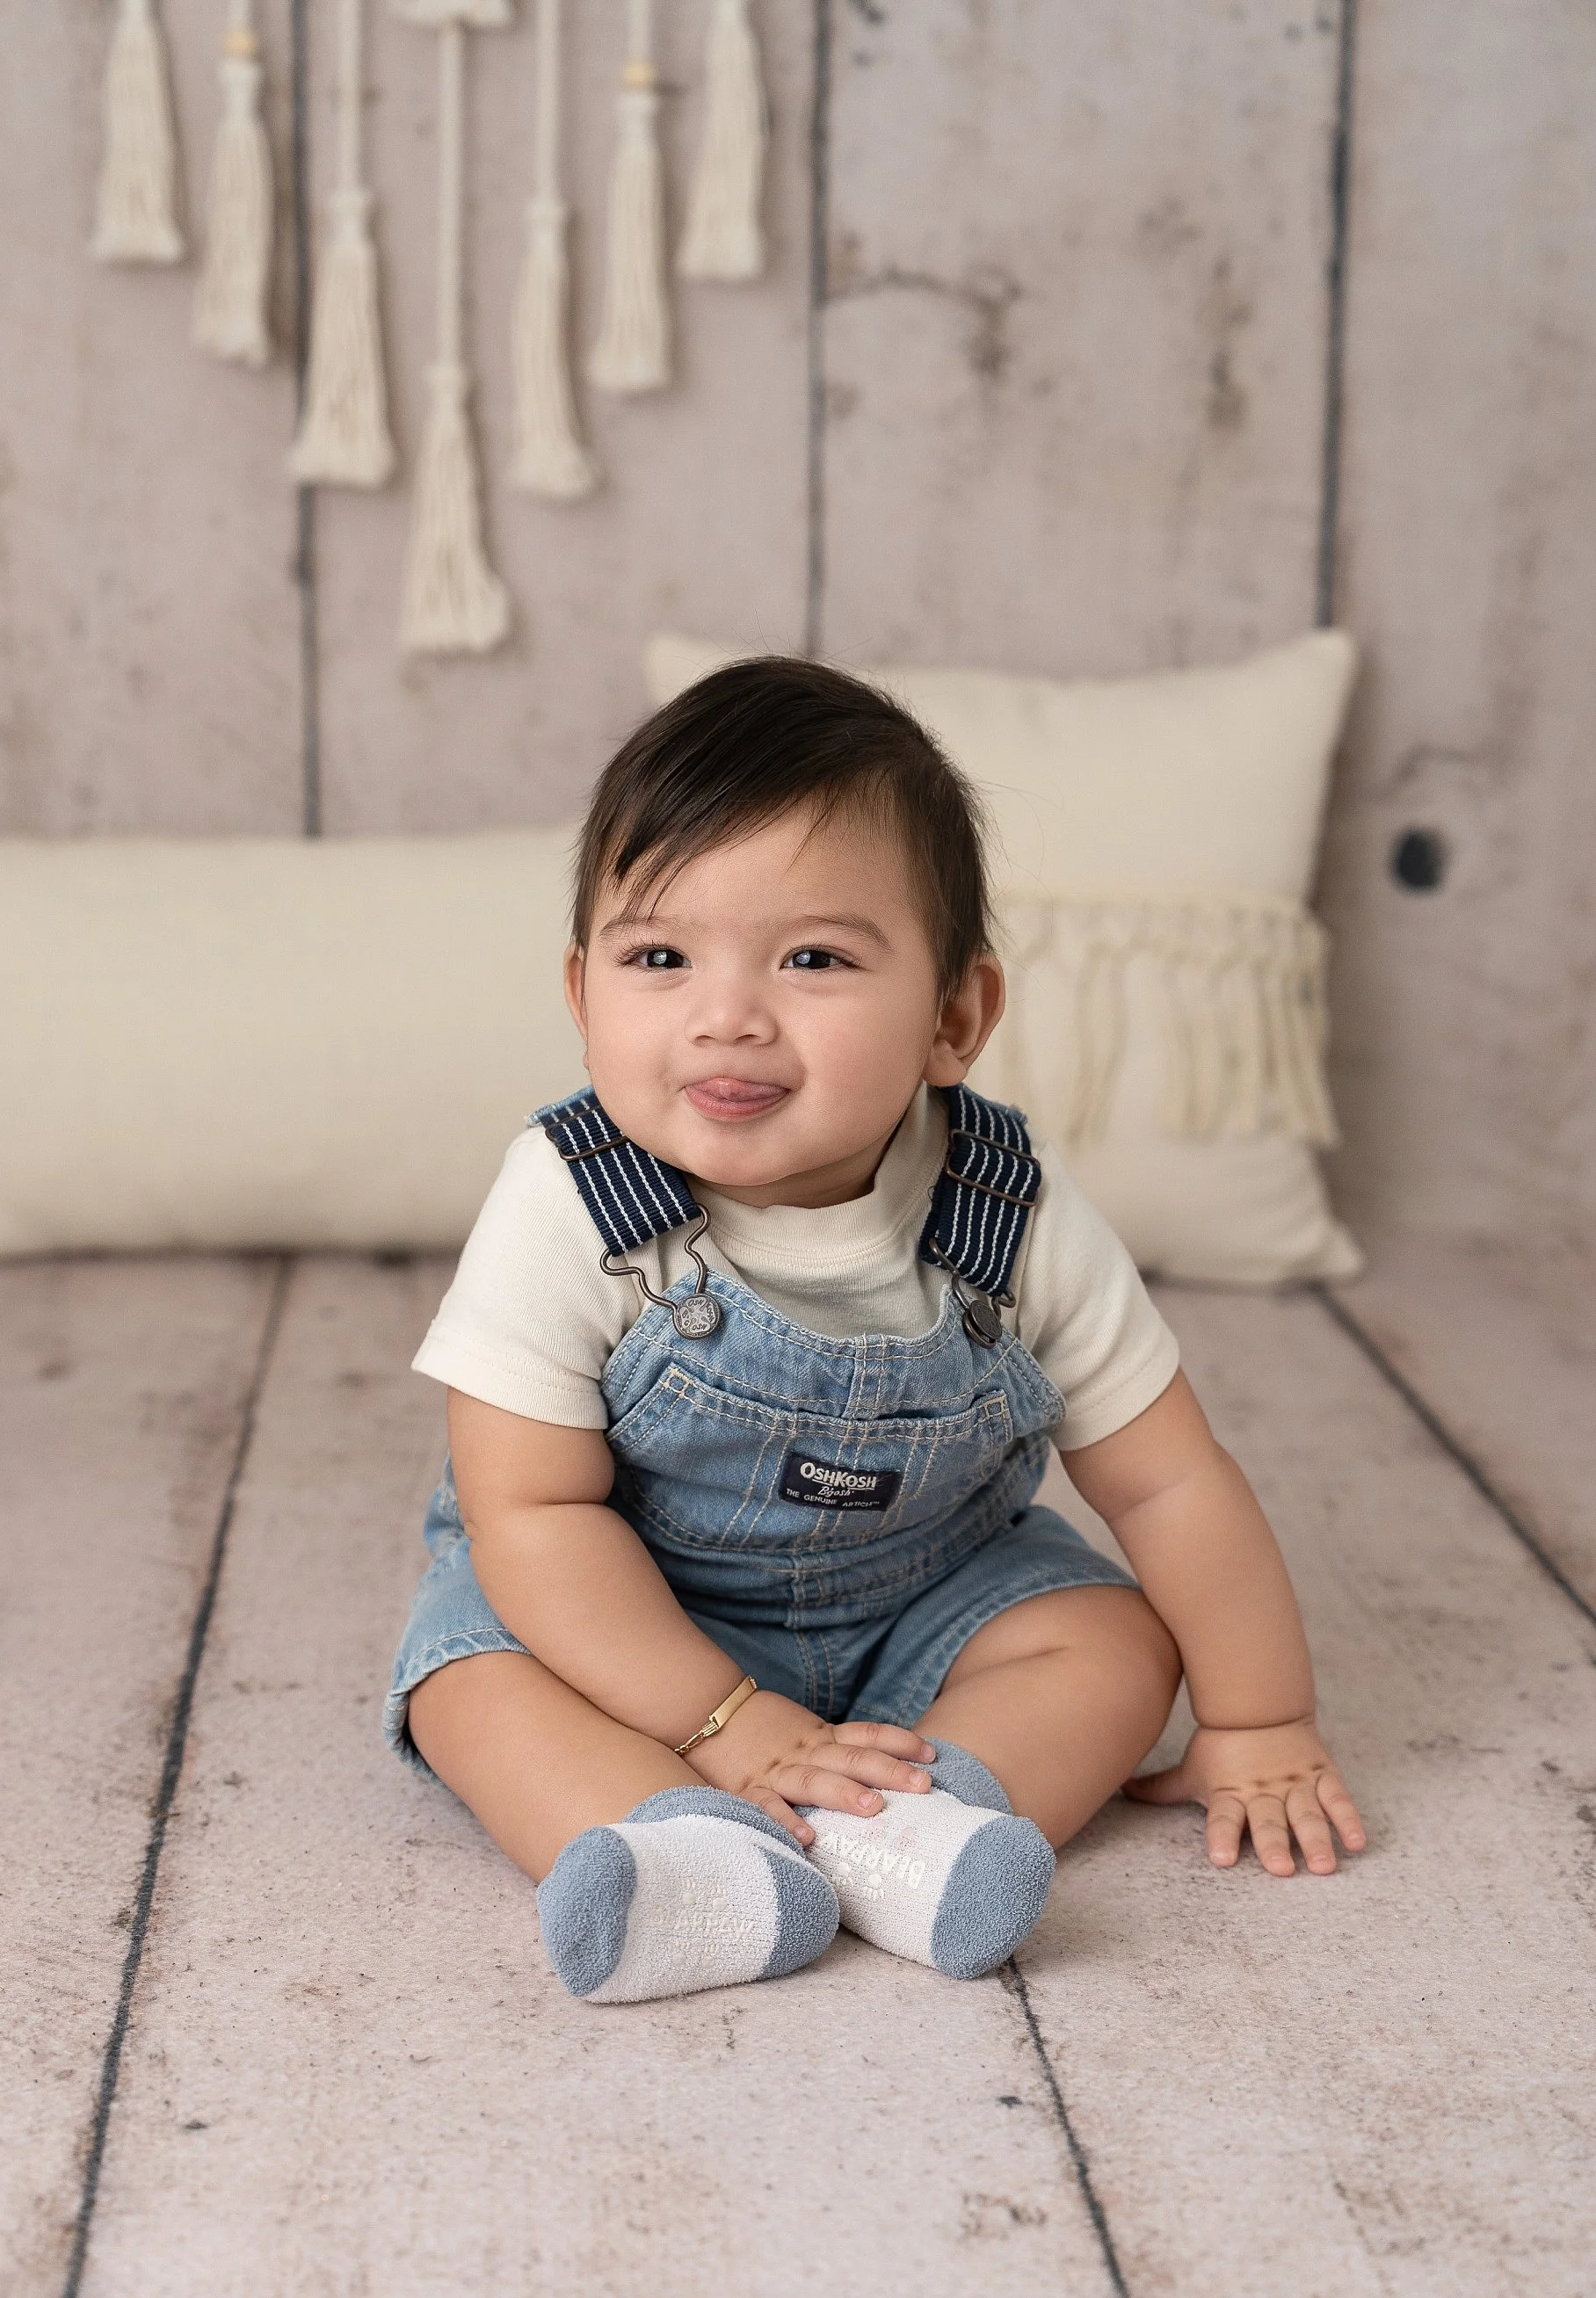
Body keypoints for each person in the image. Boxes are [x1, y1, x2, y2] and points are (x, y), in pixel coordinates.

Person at [386, 658, 1366, 2004]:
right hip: (624, 1607)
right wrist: (721, 1721)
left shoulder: (1006, 1210)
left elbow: (1172, 1478)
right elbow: (532, 1516)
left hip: (926, 1593)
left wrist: (1261, 1717)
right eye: (659, 956)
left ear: (954, 1016)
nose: (726, 1013)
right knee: (471, 1685)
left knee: (1115, 1645)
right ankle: (687, 1855)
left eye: (814, 957)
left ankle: (914, 1826)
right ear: (581, 992)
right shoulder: (573, 1200)